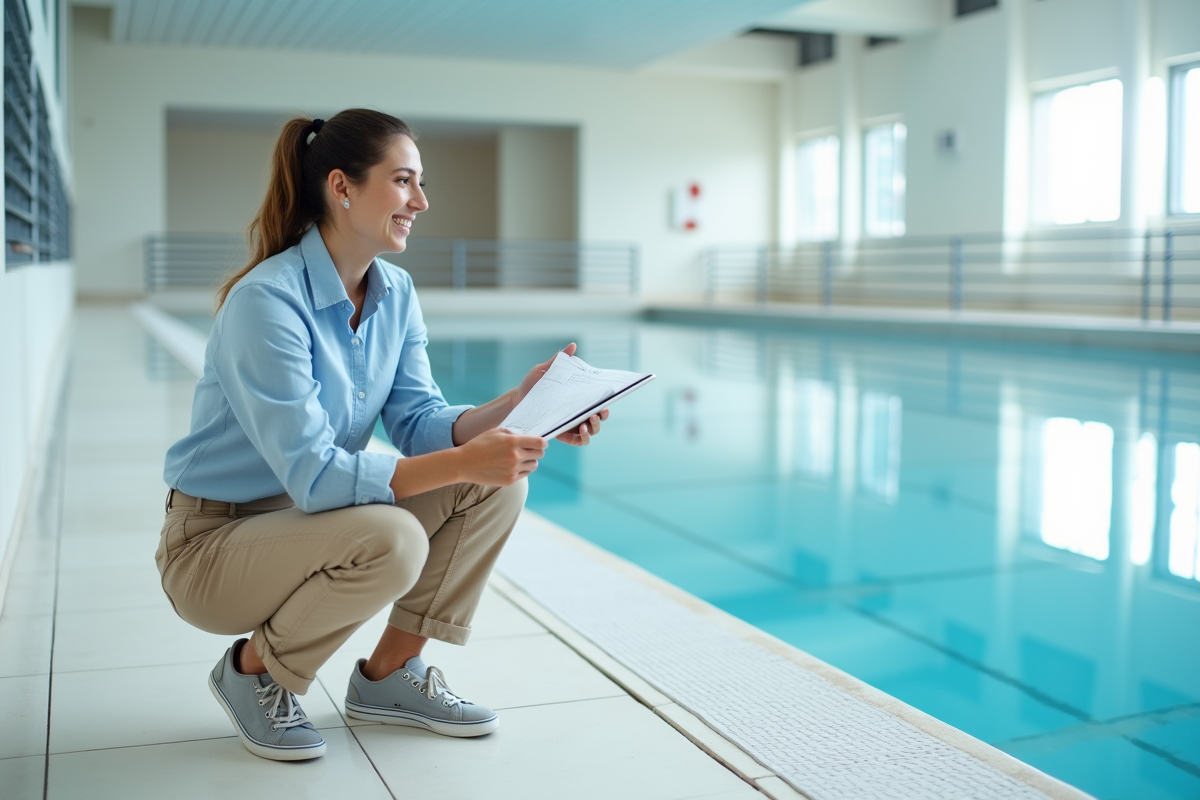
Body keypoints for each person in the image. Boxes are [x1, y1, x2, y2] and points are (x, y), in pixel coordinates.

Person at [157, 109, 607, 761]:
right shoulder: (266, 302)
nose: (420, 202)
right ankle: (253, 671)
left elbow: (420, 421)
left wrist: (520, 402)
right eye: (404, 182)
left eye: (419, 184)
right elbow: (314, 477)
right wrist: (465, 460)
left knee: (494, 489)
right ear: (342, 187)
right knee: (394, 536)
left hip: (307, 523)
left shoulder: (393, 291)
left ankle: (389, 677)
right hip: (214, 546)